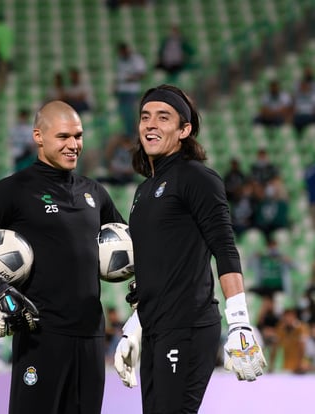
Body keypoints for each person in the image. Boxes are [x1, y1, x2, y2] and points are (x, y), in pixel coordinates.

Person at [0, 100, 127, 414]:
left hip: (91, 338)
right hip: (41, 337)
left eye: (79, 136)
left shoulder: (95, 193)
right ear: (38, 137)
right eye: (63, 137)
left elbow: (128, 247)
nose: (74, 145)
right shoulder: (13, 191)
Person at [113, 84, 266, 413]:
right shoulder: (143, 191)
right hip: (157, 327)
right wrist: (136, 325)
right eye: (145, 117)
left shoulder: (198, 178)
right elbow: (156, 265)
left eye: (163, 117)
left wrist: (239, 321)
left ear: (185, 130)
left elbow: (224, 247)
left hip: (187, 326)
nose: (150, 124)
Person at [114, 42, 147, 137]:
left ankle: (133, 134)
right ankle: (128, 134)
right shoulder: (120, 61)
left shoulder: (136, 59)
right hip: (122, 91)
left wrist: (130, 78)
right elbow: (119, 76)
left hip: (132, 91)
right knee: (124, 114)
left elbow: (142, 74)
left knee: (131, 113)